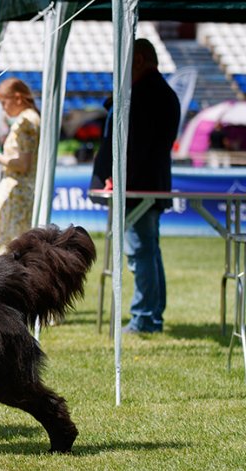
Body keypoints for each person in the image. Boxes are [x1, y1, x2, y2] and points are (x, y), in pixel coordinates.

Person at [91, 39, 180, 334]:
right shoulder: (157, 92)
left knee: (141, 252)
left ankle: (145, 317)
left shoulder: (147, 93)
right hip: (145, 185)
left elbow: (137, 146)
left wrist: (119, 177)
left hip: (138, 187)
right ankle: (150, 316)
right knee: (148, 251)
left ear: (139, 60)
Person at [0, 77, 41, 260]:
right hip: (21, 190)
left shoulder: (26, 122)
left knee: (9, 247)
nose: (3, 107)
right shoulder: (30, 118)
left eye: (4, 102)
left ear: (17, 98)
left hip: (17, 192)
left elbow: (23, 163)